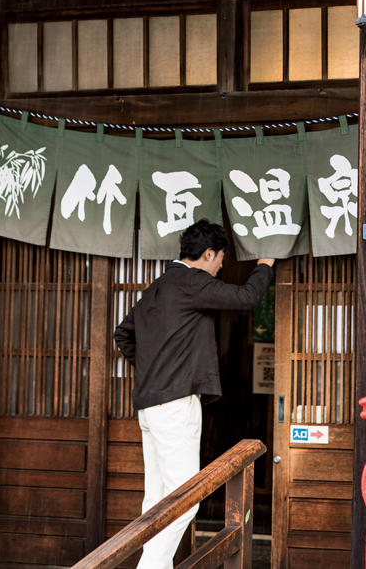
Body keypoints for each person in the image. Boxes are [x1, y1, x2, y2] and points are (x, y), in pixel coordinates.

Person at [114, 219, 275, 569]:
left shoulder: (157, 287)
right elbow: (246, 297)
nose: (220, 267)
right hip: (174, 406)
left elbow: (123, 335)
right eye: (220, 259)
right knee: (186, 500)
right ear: (208, 253)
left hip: (149, 407)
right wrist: (265, 265)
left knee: (158, 500)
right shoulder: (193, 281)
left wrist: (153, 369)